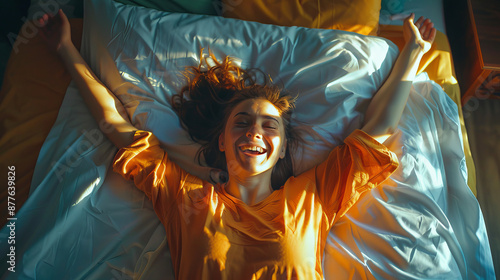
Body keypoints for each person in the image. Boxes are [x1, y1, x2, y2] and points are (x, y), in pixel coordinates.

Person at [39, 9, 436, 279]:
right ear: (223, 142)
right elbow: (115, 124)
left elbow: (378, 127)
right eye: (242, 123)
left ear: (282, 149)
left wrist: (412, 55)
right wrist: (65, 48)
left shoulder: (310, 198)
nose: (254, 133)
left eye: (269, 127)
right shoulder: (186, 198)